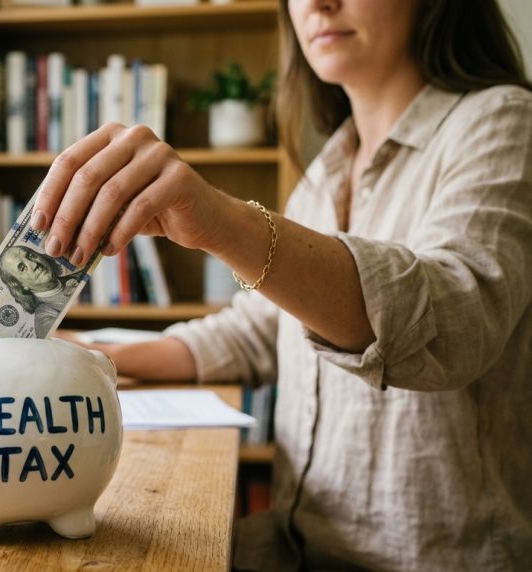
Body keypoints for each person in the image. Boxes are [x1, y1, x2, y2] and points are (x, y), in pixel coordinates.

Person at [36, 0, 532, 569]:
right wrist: (85, 358)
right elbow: (260, 330)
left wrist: (226, 222)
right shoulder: (324, 173)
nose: (318, 4)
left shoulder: (504, 123)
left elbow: (456, 322)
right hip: (298, 547)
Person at [0, 245, 82, 337]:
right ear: (21, 286)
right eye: (22, 268)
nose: (34, 264)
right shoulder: (44, 318)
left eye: (30, 256)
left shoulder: (81, 277)